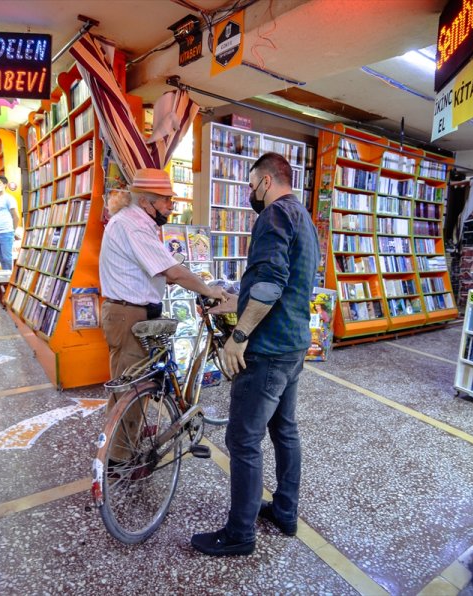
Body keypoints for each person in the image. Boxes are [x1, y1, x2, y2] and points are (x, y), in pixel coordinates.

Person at [191, 152, 319, 557]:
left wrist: (240, 334)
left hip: (267, 349)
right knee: (284, 430)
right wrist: (234, 302)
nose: (250, 193)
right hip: (293, 343)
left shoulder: (274, 215)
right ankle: (284, 511)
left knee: (243, 439)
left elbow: (269, 283)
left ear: (266, 181)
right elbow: (284, 285)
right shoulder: (303, 216)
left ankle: (240, 533)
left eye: (250, 185)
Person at [99, 169, 228, 463]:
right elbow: (173, 271)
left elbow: (153, 268)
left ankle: (126, 438)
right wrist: (208, 289)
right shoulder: (134, 226)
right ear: (146, 201)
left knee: (132, 384)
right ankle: (120, 460)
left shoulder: (133, 221)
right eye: (167, 200)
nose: (172, 206)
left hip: (131, 312)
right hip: (129, 315)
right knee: (131, 387)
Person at [0, 174, 21, 270]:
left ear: (5, 185)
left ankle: (9, 278)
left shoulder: (9, 198)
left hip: (6, 233)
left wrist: (12, 231)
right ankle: (5, 278)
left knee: (7, 259)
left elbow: (16, 217)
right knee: (2, 260)